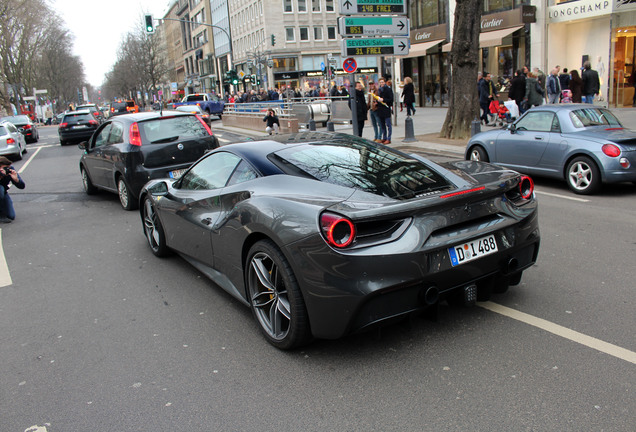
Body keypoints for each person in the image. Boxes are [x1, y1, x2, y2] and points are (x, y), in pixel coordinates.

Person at [0, 156, 25, 223]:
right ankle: (1, 215)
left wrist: (16, 180)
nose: (4, 170)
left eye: (5, 168)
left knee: (11, 216)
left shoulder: (10, 170)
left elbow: (22, 186)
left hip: (3, 193)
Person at [376, 77, 393, 144]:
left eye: (382, 82)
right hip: (380, 109)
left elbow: (391, 99)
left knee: (388, 124)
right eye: (380, 82)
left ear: (385, 82)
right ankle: (384, 137)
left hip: (386, 109)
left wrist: (384, 100)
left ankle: (389, 138)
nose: (381, 83)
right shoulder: (379, 90)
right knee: (382, 124)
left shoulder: (388, 89)